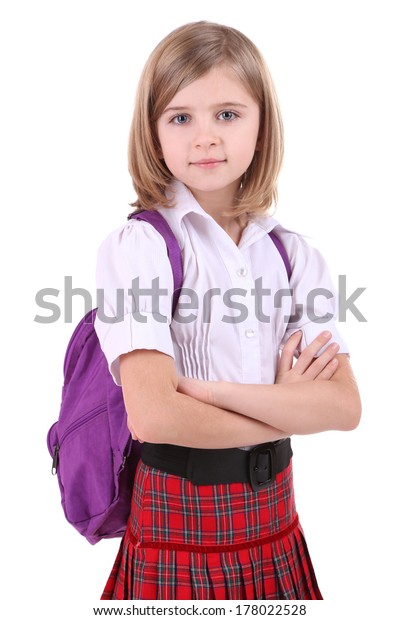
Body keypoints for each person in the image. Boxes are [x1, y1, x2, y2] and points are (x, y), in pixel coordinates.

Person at [94, 20, 361, 600]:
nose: (205, 137)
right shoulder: (139, 247)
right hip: (176, 521)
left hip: (275, 519)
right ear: (153, 133)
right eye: (181, 117)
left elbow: (342, 406)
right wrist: (289, 406)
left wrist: (211, 392)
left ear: (262, 127)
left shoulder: (293, 255)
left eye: (229, 114)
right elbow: (156, 417)